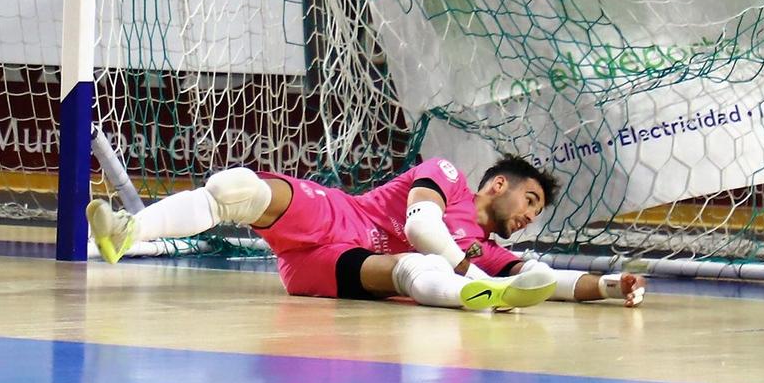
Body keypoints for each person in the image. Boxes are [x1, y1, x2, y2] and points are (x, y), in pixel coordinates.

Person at [88, 155, 647, 310]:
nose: (530, 215)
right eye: (529, 200)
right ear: (497, 185)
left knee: (412, 270)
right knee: (239, 189)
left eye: (537, 211)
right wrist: (471, 265)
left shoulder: (489, 250)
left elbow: (545, 279)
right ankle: (129, 231)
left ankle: (471, 300)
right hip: (343, 218)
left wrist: (605, 285)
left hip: (325, 267)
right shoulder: (448, 176)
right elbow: (418, 223)